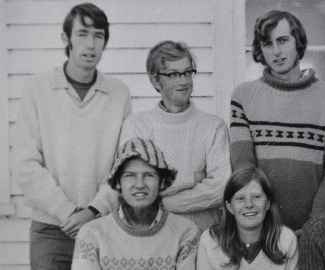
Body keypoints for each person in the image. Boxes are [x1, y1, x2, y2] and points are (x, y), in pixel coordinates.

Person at [12, 3, 131, 269]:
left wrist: (93, 211)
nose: (90, 44)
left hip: (102, 224)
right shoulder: (37, 89)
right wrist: (68, 212)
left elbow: (124, 164)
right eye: (82, 34)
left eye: (98, 36)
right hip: (51, 228)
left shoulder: (118, 94)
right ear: (66, 38)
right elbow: (25, 164)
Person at [230, 10, 325, 231]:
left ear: (298, 42)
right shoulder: (243, 96)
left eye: (283, 41)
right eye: (268, 44)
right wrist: (264, 225)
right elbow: (243, 168)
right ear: (260, 49)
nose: (276, 51)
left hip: (315, 230)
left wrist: (315, 223)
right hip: (262, 228)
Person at [120, 40, 230, 231]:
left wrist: (160, 202)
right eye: (173, 74)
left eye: (188, 72)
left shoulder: (213, 127)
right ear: (155, 80)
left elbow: (221, 187)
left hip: (202, 236)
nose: (184, 81)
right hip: (152, 234)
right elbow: (134, 187)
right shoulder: (137, 126)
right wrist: (192, 184)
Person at [72, 138, 199, 270]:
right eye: (130, 175)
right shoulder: (92, 234)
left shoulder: (185, 231)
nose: (139, 184)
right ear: (118, 183)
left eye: (149, 175)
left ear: (161, 182)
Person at [197, 167, 298, 269]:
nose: (249, 204)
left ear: (267, 203)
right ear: (230, 207)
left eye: (256, 197)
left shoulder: (286, 239)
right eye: (240, 198)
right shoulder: (210, 241)